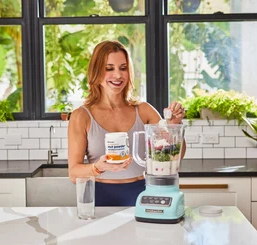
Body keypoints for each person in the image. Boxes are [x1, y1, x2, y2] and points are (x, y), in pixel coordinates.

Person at [68, 40, 186, 206]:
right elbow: (74, 174)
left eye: (123, 68)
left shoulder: (144, 111)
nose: (118, 75)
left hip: (143, 194)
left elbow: (175, 156)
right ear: (96, 72)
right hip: (99, 197)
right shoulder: (81, 116)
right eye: (109, 68)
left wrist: (174, 126)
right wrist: (98, 167)